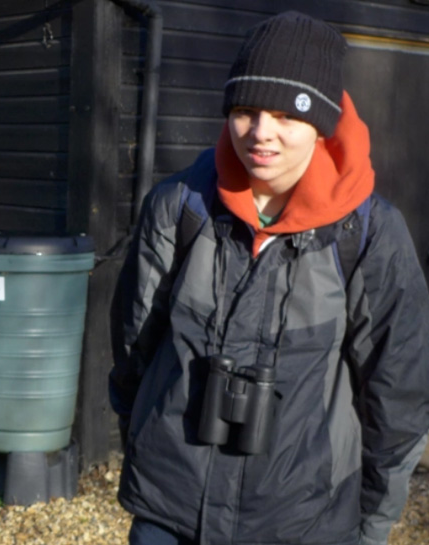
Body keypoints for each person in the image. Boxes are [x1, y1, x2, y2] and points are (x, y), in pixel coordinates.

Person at [109, 11, 429, 545]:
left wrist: (370, 527)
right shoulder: (178, 208)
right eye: (245, 110)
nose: (261, 134)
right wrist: (147, 450)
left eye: (287, 115)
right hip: (171, 514)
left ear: (322, 123)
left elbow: (399, 398)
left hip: (307, 523)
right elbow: (132, 353)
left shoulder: (370, 235)